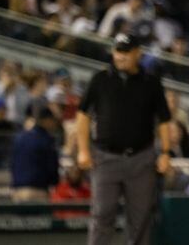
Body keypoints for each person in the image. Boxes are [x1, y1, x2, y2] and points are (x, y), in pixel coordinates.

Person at [76, 32, 172, 245]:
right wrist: (82, 150)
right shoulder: (100, 79)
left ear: (138, 53)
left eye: (126, 52)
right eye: (118, 51)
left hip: (141, 158)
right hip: (106, 157)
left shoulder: (151, 83)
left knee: (140, 220)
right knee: (101, 214)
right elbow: (83, 115)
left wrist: (166, 152)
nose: (120, 56)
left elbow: (164, 120)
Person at [10, 108, 60, 202]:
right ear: (46, 120)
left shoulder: (20, 137)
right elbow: (52, 167)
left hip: (18, 190)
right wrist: (54, 182)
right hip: (38, 190)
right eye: (52, 120)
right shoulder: (46, 140)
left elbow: (12, 164)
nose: (54, 124)